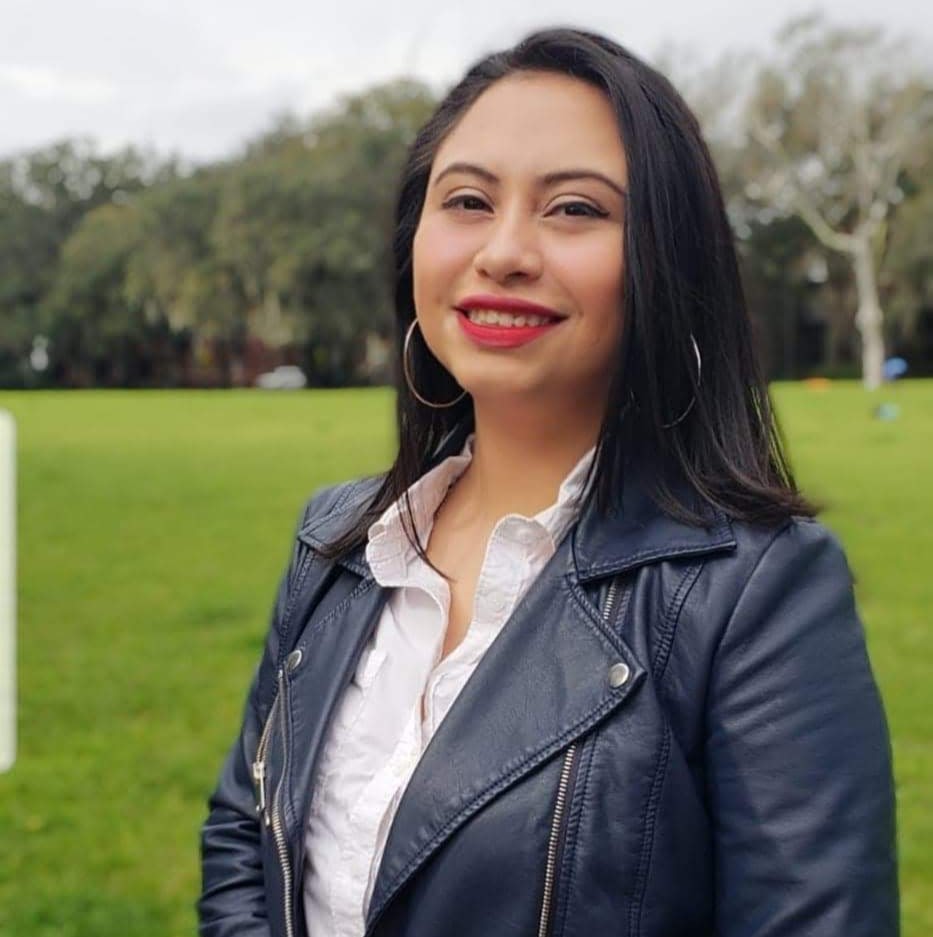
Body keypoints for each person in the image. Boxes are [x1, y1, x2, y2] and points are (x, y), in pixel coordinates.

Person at [198, 27, 898, 937]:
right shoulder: (338, 540)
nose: (504, 251)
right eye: (466, 201)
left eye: (573, 209)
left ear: (662, 261)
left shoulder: (756, 591)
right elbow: (243, 837)